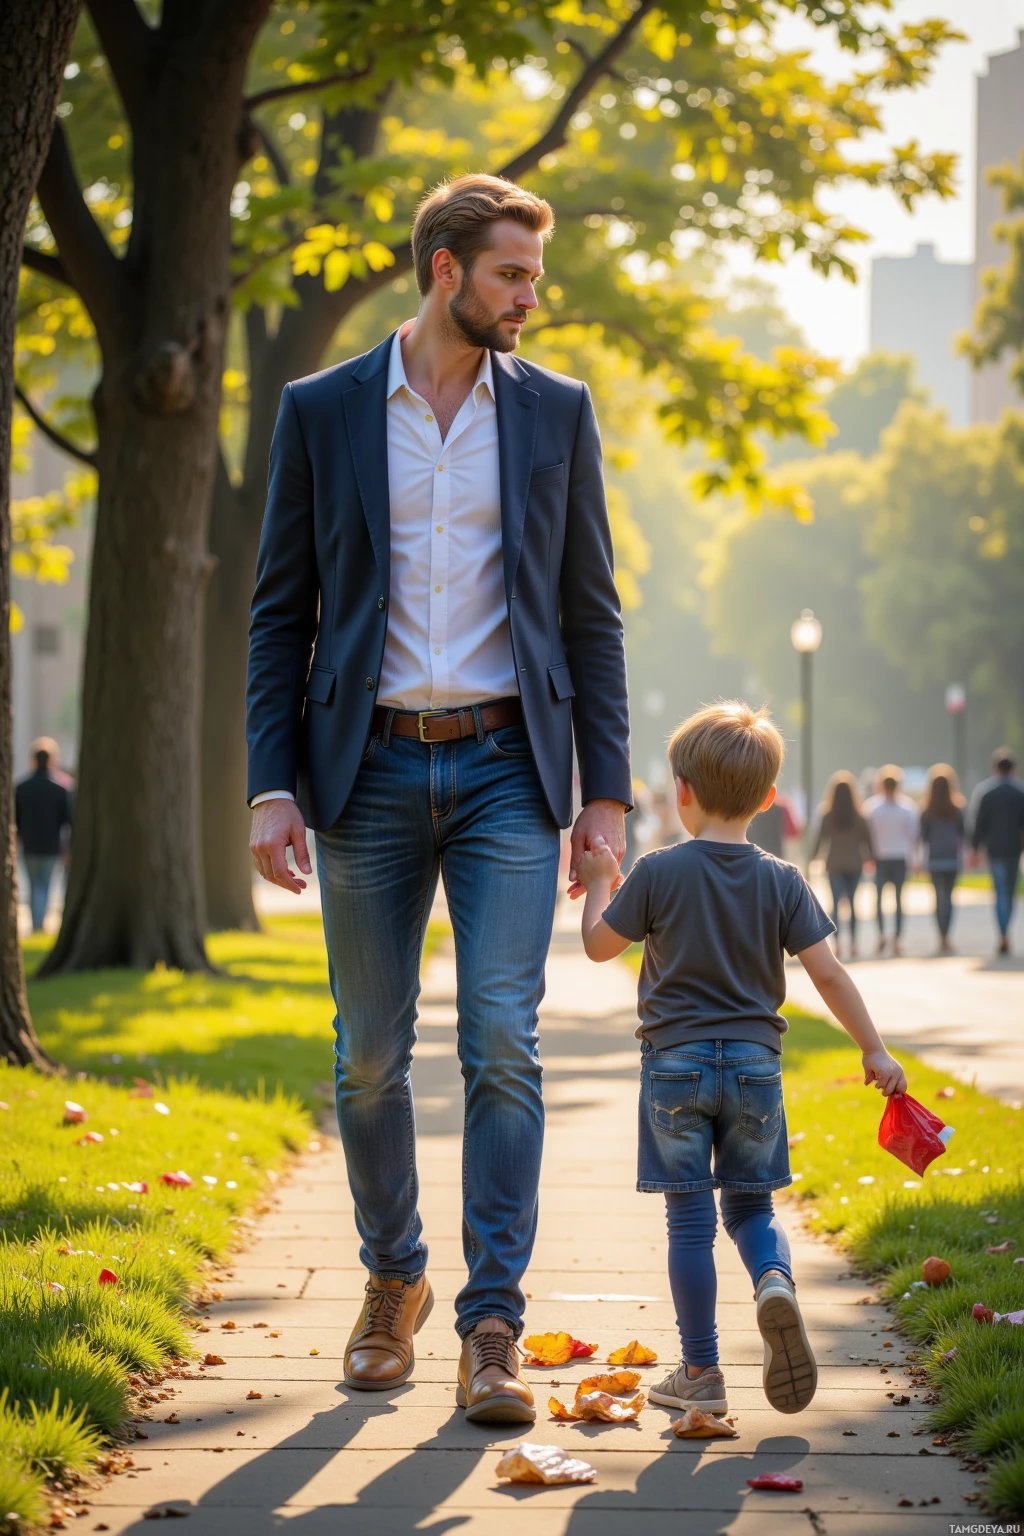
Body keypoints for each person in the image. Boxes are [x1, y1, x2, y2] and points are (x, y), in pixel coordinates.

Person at [246, 174, 631, 1423]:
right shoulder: (324, 410)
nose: (531, 296)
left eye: (534, 272)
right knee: (366, 1060)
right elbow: (280, 613)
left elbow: (590, 616)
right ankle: (392, 1280)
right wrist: (269, 785)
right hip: (363, 769)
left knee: (503, 1046)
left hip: (510, 769)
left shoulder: (557, 413)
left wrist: (606, 802)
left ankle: (492, 1326)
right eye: (512, 273)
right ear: (443, 270)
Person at [576, 702, 906, 1418]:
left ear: (682, 792)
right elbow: (828, 975)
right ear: (766, 800)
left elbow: (599, 946)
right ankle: (774, 1281)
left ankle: (701, 1370)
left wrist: (602, 877)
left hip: (674, 1066)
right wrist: (872, 1047)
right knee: (751, 1207)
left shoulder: (659, 871)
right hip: (756, 1065)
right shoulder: (782, 879)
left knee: (689, 1223)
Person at [810, 772, 874, 959]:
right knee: (853, 904)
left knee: (835, 904)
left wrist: (812, 859)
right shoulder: (859, 815)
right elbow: (867, 839)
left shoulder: (827, 815)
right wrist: (872, 857)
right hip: (855, 863)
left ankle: (837, 944)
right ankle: (853, 943)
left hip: (834, 864)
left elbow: (820, 840)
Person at [15, 739, 73, 933]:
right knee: (45, 886)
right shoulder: (60, 790)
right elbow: (68, 821)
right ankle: (39, 925)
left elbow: (16, 819)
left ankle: (35, 924)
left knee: (33, 886)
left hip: (29, 845)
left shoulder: (21, 788)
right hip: (51, 845)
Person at [970, 748, 1024, 956]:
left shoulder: (987, 792)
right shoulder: (1020, 792)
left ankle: (1002, 932)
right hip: (1013, 849)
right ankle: (1005, 929)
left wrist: (975, 848)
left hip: (994, 849)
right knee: (1009, 893)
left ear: (995, 768)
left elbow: (979, 823)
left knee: (999, 891)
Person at [864, 765, 918, 955]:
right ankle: (897, 938)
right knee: (898, 900)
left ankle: (881, 936)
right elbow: (913, 836)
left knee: (878, 899)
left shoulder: (871, 807)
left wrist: (867, 856)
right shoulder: (907, 807)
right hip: (899, 857)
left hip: (879, 857)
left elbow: (867, 835)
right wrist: (915, 859)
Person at [919, 764, 966, 954]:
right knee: (949, 897)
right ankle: (947, 934)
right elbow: (963, 834)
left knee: (938, 898)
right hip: (952, 858)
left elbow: (923, 837)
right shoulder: (957, 809)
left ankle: (941, 935)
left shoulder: (927, 810)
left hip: (935, 858)